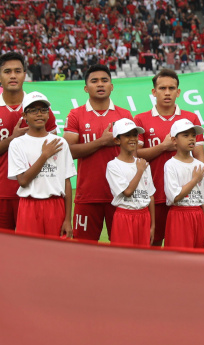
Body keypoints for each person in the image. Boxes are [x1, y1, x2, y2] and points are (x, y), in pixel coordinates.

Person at [0, 52, 58, 231]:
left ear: (24, 75)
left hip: (34, 194)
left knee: (29, 247)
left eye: (17, 71)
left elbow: (54, 153)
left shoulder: (41, 109)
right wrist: (12, 140)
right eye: (7, 71)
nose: (13, 76)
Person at [134, 69, 204, 247]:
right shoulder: (141, 120)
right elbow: (135, 155)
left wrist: (199, 185)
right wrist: (163, 147)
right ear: (154, 91)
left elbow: (199, 155)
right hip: (154, 193)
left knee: (183, 246)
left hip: (185, 196)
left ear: (178, 92)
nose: (167, 92)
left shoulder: (191, 118)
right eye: (162, 88)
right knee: (154, 243)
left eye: (171, 88)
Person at [64, 65, 133, 242]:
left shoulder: (124, 115)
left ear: (112, 86)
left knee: (122, 248)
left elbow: (133, 153)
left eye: (104, 80)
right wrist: (102, 142)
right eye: (94, 81)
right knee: (83, 250)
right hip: (87, 195)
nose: (100, 84)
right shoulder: (75, 115)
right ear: (86, 88)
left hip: (120, 194)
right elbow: (68, 151)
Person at [7, 92, 75, 238]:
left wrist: (68, 219)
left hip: (55, 205)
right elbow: (23, 181)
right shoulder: (17, 144)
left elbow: (67, 182)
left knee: (56, 251)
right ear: (24, 116)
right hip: (29, 206)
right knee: (29, 250)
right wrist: (44, 156)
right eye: (33, 110)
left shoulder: (60, 143)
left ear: (49, 114)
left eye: (43, 110)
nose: (39, 114)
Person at [163, 118, 204, 249]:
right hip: (178, 216)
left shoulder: (199, 166)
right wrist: (194, 180)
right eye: (186, 135)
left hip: (198, 216)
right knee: (179, 257)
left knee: (198, 257)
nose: (191, 139)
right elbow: (175, 196)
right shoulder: (170, 165)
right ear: (174, 140)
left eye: (193, 135)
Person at [105, 118, 155, 247]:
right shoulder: (113, 165)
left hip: (144, 216)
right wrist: (139, 171)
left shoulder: (143, 164)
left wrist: (152, 225)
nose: (132, 139)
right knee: (123, 256)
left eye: (135, 135)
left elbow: (150, 195)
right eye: (127, 135)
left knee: (142, 256)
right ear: (117, 140)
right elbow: (127, 192)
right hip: (124, 216)